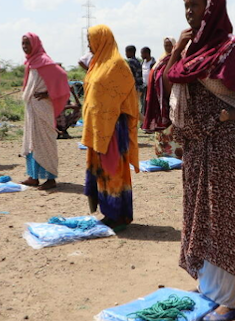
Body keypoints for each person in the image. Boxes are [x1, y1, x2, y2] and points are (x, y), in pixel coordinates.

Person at [163, 0, 235, 319]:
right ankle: (210, 287)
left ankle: (231, 299)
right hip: (198, 146)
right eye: (186, 5)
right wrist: (177, 49)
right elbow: (170, 81)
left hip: (227, 143)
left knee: (225, 218)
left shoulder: (230, 48)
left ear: (213, 10)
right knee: (201, 217)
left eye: (196, 5)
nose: (189, 11)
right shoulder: (190, 48)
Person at [82, 25, 139, 231]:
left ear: (102, 39)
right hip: (98, 131)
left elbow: (130, 99)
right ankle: (110, 213)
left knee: (113, 171)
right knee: (103, 173)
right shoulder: (96, 64)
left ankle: (118, 214)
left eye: (91, 39)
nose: (89, 44)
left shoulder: (117, 65)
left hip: (113, 130)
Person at [20, 32, 70, 190]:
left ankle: (50, 179)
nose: (25, 47)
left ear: (34, 43)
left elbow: (61, 76)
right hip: (32, 108)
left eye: (27, 43)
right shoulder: (30, 62)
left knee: (45, 142)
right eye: (23, 44)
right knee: (32, 141)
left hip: (42, 107)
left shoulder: (44, 60)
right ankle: (33, 176)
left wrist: (48, 94)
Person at [142, 37, 183, 159]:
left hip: (175, 97)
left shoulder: (180, 60)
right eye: (166, 45)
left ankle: (176, 153)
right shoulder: (161, 60)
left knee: (174, 126)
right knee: (162, 127)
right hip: (160, 100)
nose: (168, 48)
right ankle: (163, 152)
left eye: (170, 45)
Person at [140, 47, 156, 117]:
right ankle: (143, 121)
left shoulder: (153, 63)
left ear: (147, 53)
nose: (141, 55)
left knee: (149, 104)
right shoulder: (142, 63)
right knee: (143, 104)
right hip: (143, 86)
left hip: (151, 87)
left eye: (142, 53)